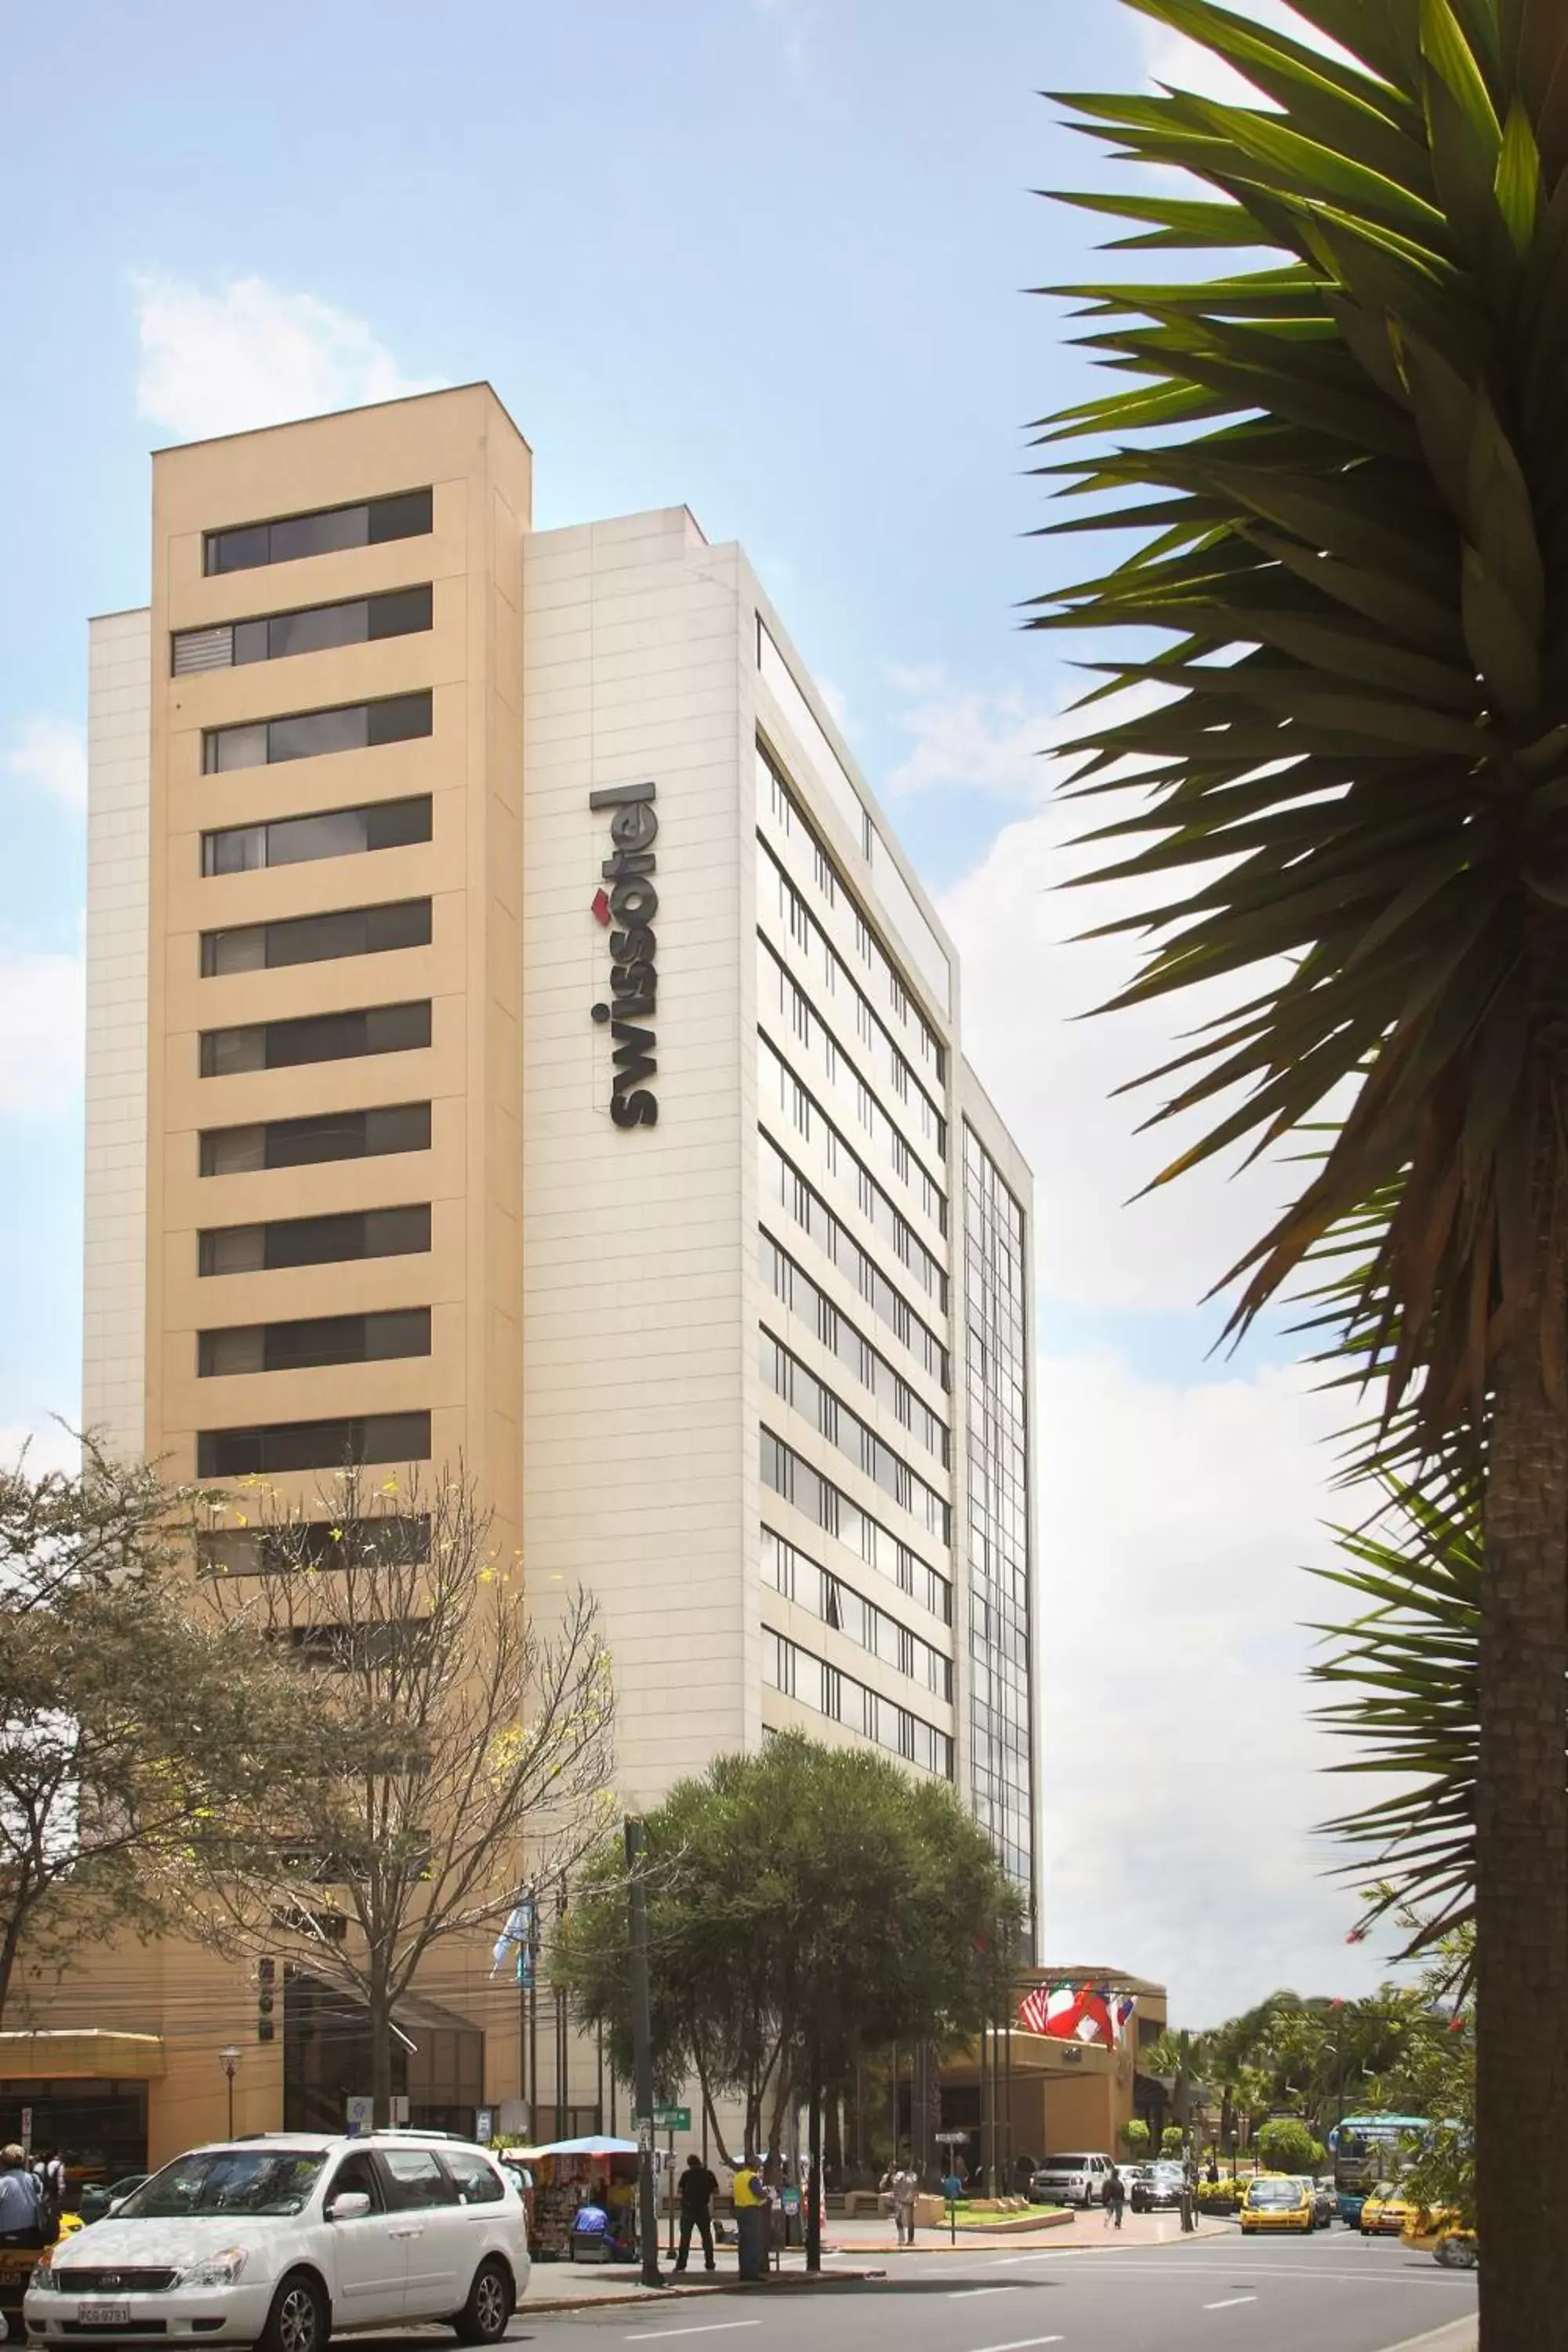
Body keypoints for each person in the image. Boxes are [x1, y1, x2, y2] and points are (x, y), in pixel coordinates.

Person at [674, 2153, 719, 2274]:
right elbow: (716, 2191)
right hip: (702, 2208)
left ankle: (681, 2265)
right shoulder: (708, 2174)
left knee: (685, 2238)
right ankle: (710, 2263)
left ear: (689, 2164)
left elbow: (679, 2191)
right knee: (706, 2237)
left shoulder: (686, 2175)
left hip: (688, 2208)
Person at [731, 2154, 770, 2281]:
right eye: (759, 2166)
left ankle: (744, 2272)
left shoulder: (738, 2176)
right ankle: (752, 2273)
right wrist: (768, 2193)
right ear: (755, 2166)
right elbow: (759, 2194)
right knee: (752, 2242)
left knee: (743, 2243)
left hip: (739, 2210)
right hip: (751, 2211)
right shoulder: (752, 2177)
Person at [0, 2147, 42, 2249]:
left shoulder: (3, 2183)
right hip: (34, 2235)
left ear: (3, 2162)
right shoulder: (34, 2179)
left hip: (8, 2238)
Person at [880, 2159, 920, 2249]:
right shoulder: (900, 2175)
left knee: (910, 2221)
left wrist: (916, 2198)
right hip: (900, 2200)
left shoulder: (914, 2175)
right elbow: (894, 2185)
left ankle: (910, 2240)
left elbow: (916, 2188)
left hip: (909, 2200)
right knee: (898, 2219)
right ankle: (902, 2238)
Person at [1105, 2165, 1127, 2231]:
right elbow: (1122, 2191)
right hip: (1117, 2200)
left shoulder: (1110, 2182)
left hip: (1113, 2199)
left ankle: (1108, 2222)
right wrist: (1123, 2199)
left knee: (1110, 2212)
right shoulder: (1119, 2183)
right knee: (1119, 2213)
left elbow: (1108, 2192)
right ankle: (1117, 2223)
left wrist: (1106, 2199)